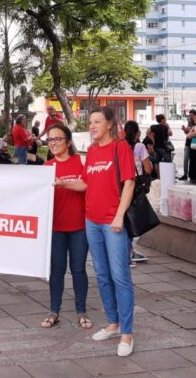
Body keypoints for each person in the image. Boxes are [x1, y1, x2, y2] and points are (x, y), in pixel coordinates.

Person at [57, 106, 137, 357]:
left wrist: (119, 215)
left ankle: (127, 332)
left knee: (120, 276)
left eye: (97, 122)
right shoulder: (91, 151)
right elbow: (86, 183)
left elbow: (129, 183)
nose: (91, 126)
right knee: (102, 275)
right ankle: (113, 323)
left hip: (111, 222)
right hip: (91, 221)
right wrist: (63, 183)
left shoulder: (120, 148)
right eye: (89, 122)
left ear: (110, 124)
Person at [41, 124, 91, 331]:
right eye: (50, 140)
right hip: (56, 228)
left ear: (68, 142)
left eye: (57, 139)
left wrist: (62, 183)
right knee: (56, 271)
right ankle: (54, 311)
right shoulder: (47, 167)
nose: (53, 143)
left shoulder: (81, 163)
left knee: (78, 270)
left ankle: (81, 312)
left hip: (79, 227)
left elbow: (85, 185)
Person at [124, 120, 154, 265]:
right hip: (135, 186)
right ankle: (128, 254)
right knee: (132, 220)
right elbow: (148, 169)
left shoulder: (120, 145)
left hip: (122, 185)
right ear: (137, 133)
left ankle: (127, 252)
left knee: (124, 218)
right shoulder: (140, 146)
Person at [179, 109, 196, 181]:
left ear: (195, 116)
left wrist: (189, 130)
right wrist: (184, 129)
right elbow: (187, 132)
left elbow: (193, 131)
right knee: (186, 158)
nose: (190, 117)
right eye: (189, 116)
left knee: (194, 160)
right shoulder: (189, 121)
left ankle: (193, 175)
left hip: (195, 143)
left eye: (192, 116)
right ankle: (185, 174)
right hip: (188, 142)